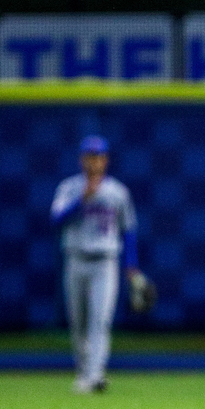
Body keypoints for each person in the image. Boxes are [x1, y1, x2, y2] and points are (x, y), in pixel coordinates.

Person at [50, 135, 144, 393]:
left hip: (105, 262)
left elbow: (129, 230)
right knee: (78, 321)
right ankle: (83, 373)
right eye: (90, 156)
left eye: (99, 156)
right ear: (82, 159)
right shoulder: (69, 188)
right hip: (76, 259)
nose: (94, 161)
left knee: (99, 320)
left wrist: (131, 266)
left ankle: (95, 375)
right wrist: (82, 199)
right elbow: (56, 220)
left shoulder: (117, 191)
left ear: (106, 160)